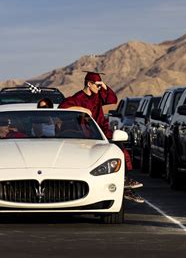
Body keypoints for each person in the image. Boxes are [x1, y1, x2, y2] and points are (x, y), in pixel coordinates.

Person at [58, 71, 144, 203]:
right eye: (97, 85)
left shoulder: (98, 97)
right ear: (89, 84)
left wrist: (104, 85)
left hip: (103, 131)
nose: (99, 88)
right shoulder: (78, 98)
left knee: (121, 152)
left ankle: (126, 185)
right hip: (87, 135)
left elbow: (112, 99)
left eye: (100, 86)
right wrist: (81, 109)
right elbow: (62, 108)